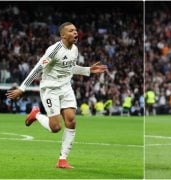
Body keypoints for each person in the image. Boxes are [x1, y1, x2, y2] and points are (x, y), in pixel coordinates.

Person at [6, 22, 107, 169]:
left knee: (71, 120)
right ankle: (36, 115)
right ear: (63, 35)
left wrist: (88, 70)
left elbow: (70, 68)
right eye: (71, 31)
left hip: (66, 87)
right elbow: (37, 69)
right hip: (50, 89)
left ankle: (62, 159)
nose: (75, 32)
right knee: (55, 128)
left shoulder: (75, 50)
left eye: (76, 30)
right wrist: (22, 88)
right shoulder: (53, 51)